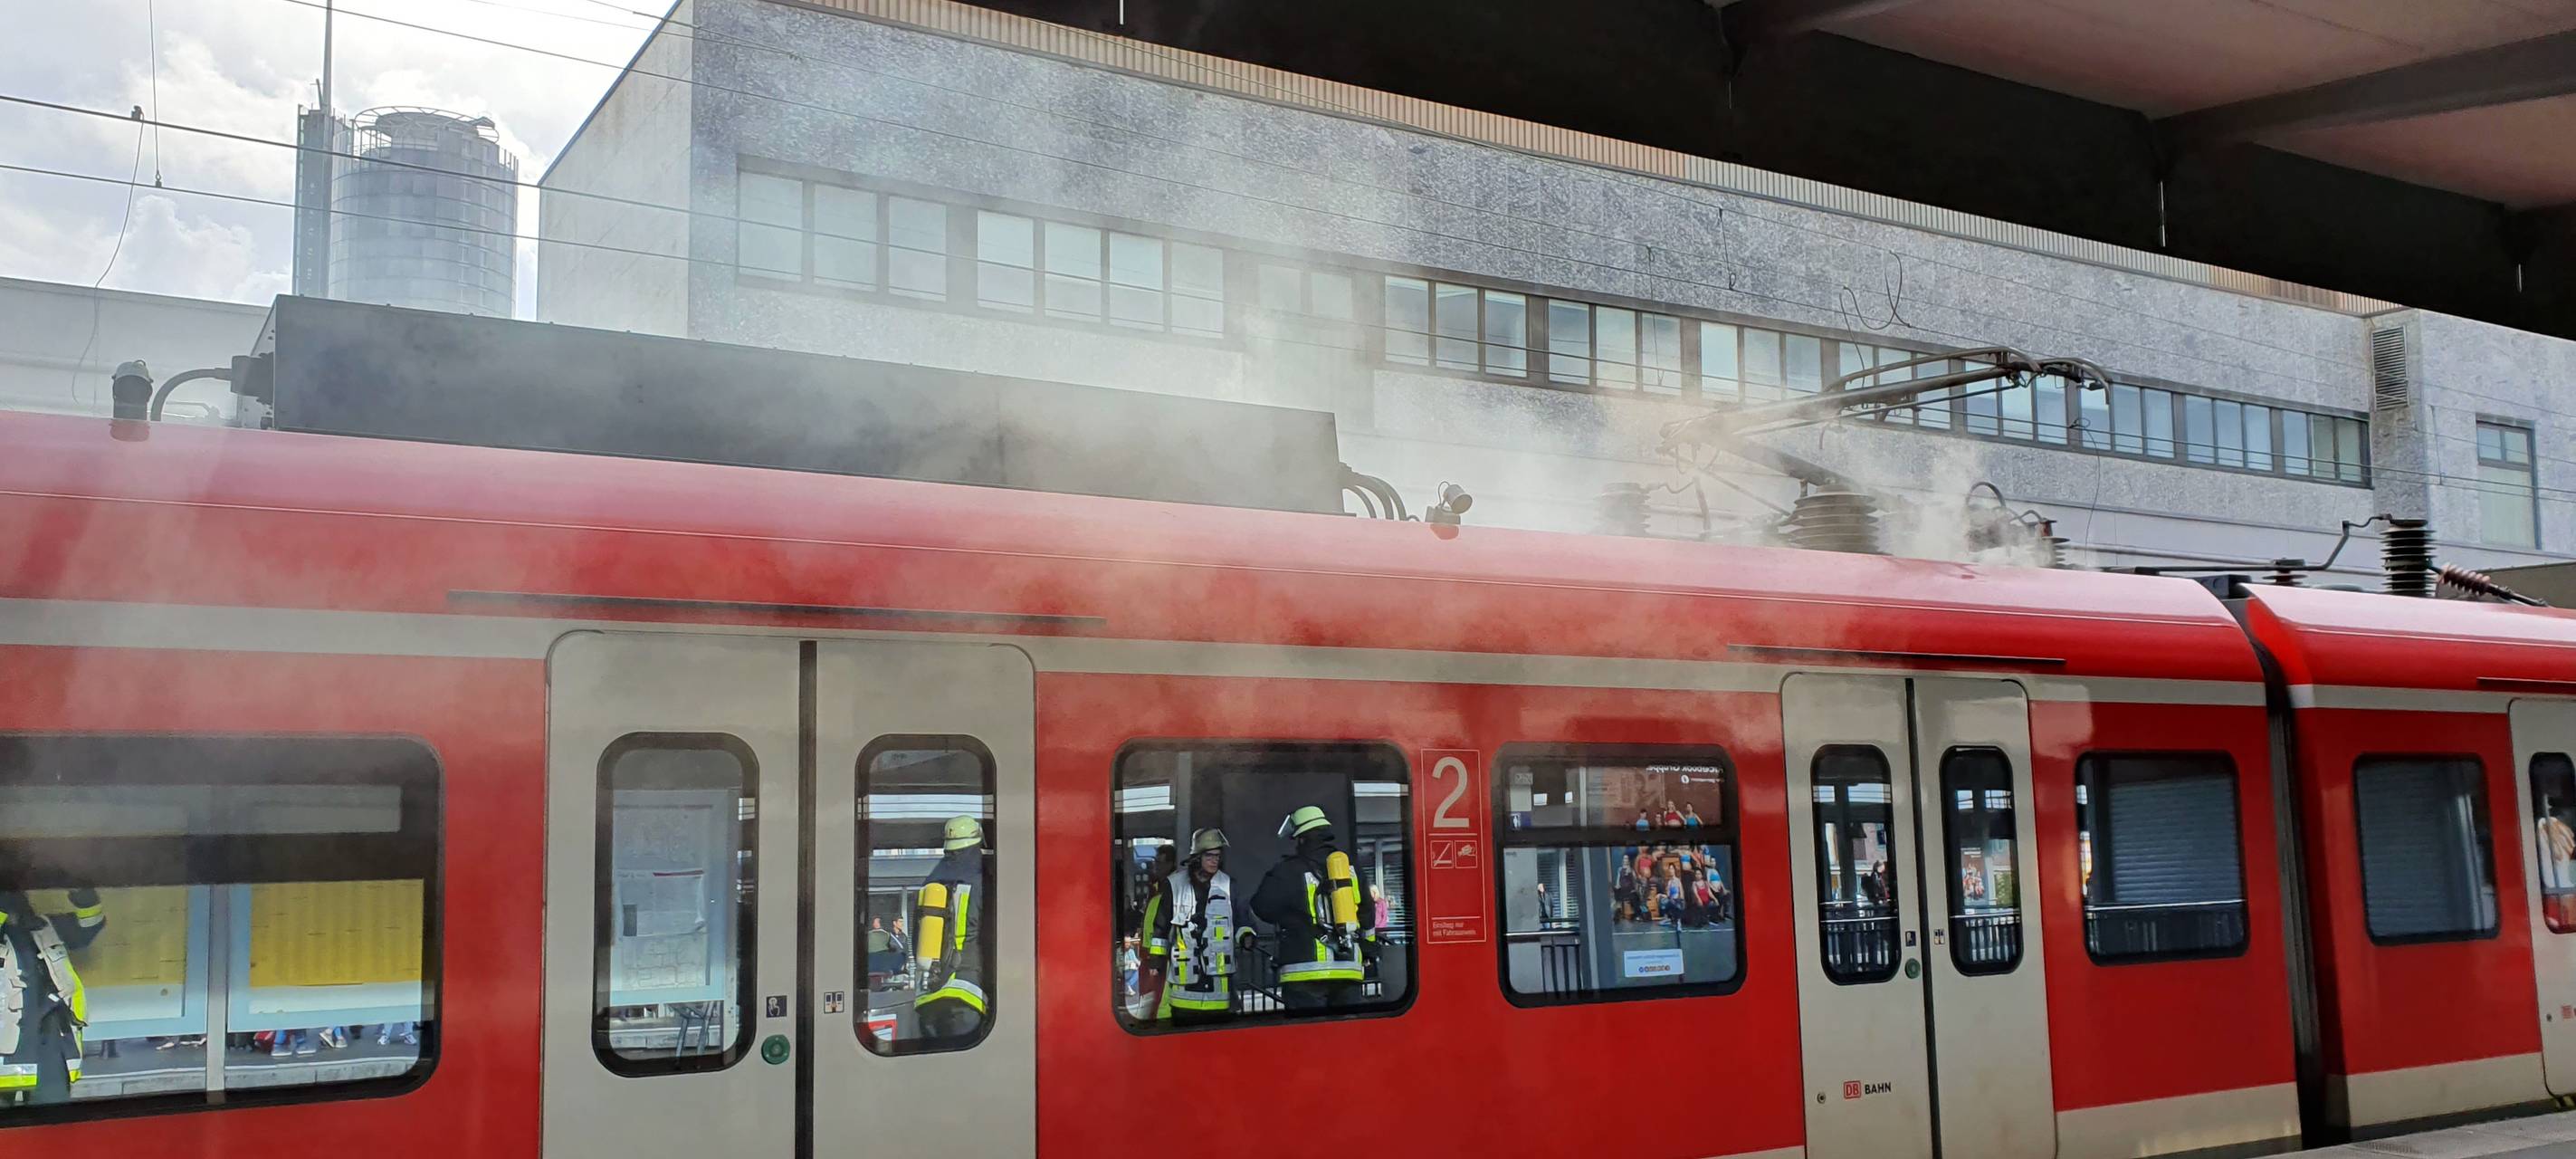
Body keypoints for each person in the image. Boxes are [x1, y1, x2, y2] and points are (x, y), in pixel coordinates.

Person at [1251, 806, 1375, 1011]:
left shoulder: (1288, 870)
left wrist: (1289, 918)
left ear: (1301, 838)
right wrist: (1368, 949)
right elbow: (1368, 913)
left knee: (1309, 1039)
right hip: (1348, 970)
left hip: (1304, 972)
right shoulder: (1351, 868)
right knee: (1347, 1037)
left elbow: (1261, 906)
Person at [3, 888, 107, 1105]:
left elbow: (90, 925)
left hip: (51, 1043)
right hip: (8, 1046)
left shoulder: (45, 927)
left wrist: (82, 893)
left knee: (52, 1124)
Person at [1141, 828, 1241, 1026]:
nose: (1215, 861)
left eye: (1218, 856)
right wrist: (1156, 960)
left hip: (1218, 990)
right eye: (1210, 856)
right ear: (1196, 858)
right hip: (1184, 987)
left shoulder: (1229, 885)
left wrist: (1246, 935)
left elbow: (1242, 920)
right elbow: (1160, 926)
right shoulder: (1175, 885)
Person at [911, 816, 990, 1044]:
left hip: (927, 997)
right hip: (966, 994)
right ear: (977, 842)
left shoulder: (930, 882)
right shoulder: (980, 880)